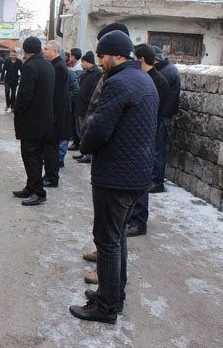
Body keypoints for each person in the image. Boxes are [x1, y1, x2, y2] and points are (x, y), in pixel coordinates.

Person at [69, 29, 158, 324]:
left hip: (116, 175)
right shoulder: (144, 79)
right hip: (136, 174)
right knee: (117, 237)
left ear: (117, 55)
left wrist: (85, 142)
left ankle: (106, 307)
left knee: (107, 239)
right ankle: (113, 295)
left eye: (104, 56)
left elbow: (100, 128)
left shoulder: (119, 83)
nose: (101, 61)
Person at [127, 44, 169, 237]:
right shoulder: (146, 78)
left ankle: (138, 221)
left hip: (146, 135)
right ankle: (131, 217)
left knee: (141, 180)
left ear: (141, 59)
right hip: (139, 134)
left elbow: (153, 112)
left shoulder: (157, 81)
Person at [12, 37, 55, 206]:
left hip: (32, 121)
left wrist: (18, 111)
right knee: (35, 155)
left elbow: (25, 95)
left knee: (31, 156)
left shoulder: (30, 66)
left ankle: (38, 191)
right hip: (44, 119)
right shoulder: (48, 65)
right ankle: (31, 187)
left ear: (26, 50)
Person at [151, 46, 181, 193]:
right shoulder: (165, 70)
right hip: (162, 114)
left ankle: (157, 181)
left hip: (163, 115)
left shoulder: (167, 72)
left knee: (158, 149)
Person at [42, 40, 70, 188]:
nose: (43, 51)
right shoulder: (55, 65)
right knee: (49, 148)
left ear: (55, 51)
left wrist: (51, 116)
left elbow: (56, 95)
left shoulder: (58, 67)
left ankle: (52, 177)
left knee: (51, 148)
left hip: (56, 116)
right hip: (55, 115)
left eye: (46, 49)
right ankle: (49, 175)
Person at [72, 51, 102, 164]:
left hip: (87, 108)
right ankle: (83, 152)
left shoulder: (96, 73)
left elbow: (94, 92)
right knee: (80, 130)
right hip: (80, 106)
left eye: (83, 62)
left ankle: (88, 154)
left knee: (86, 131)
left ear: (87, 62)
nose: (81, 64)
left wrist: (87, 104)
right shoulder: (86, 73)